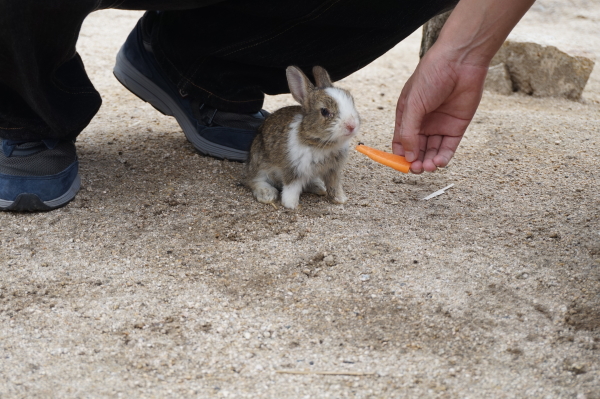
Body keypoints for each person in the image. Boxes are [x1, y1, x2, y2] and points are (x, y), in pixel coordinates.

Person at [0, 0, 535, 212]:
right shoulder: (301, 128)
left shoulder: (331, 129)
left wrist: (466, 51)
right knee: (279, 170)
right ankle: (19, 103)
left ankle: (202, 65)